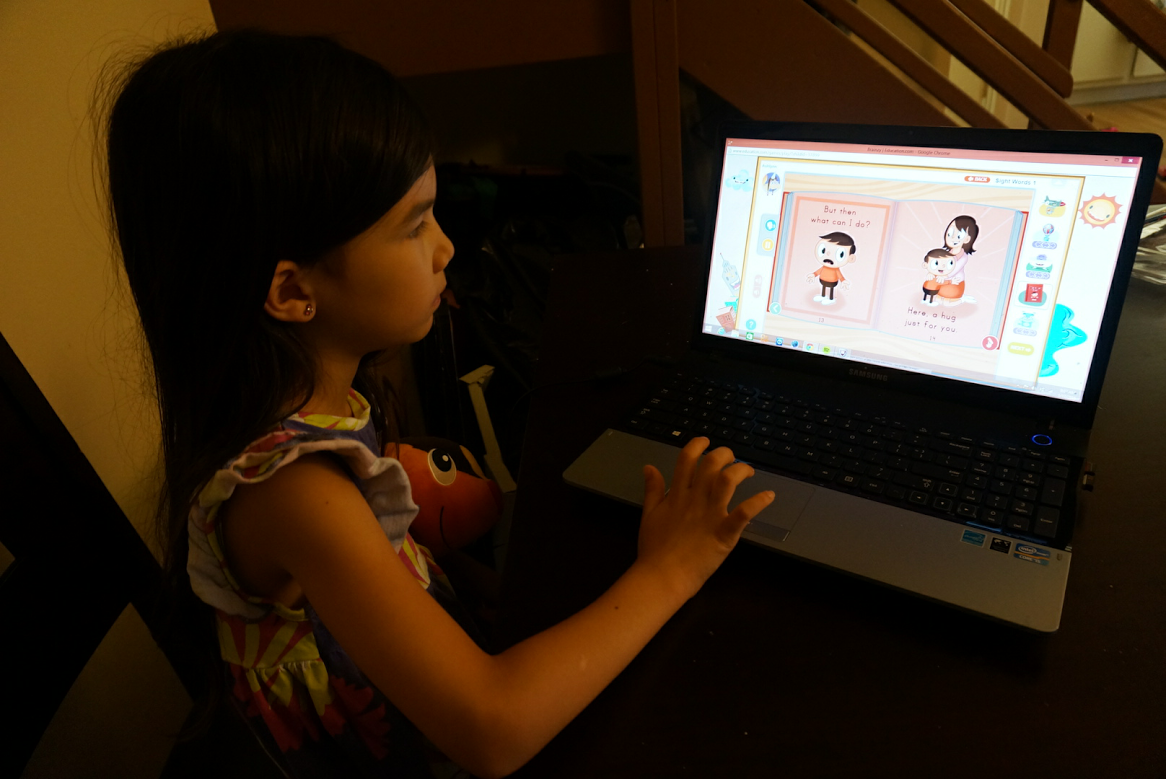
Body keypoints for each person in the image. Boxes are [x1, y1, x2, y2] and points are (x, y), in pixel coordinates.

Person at [101, 30, 774, 779]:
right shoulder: (295, 495)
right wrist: (672, 568)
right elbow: (493, 730)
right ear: (293, 291)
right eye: (415, 224)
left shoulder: (319, 406)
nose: (446, 248)